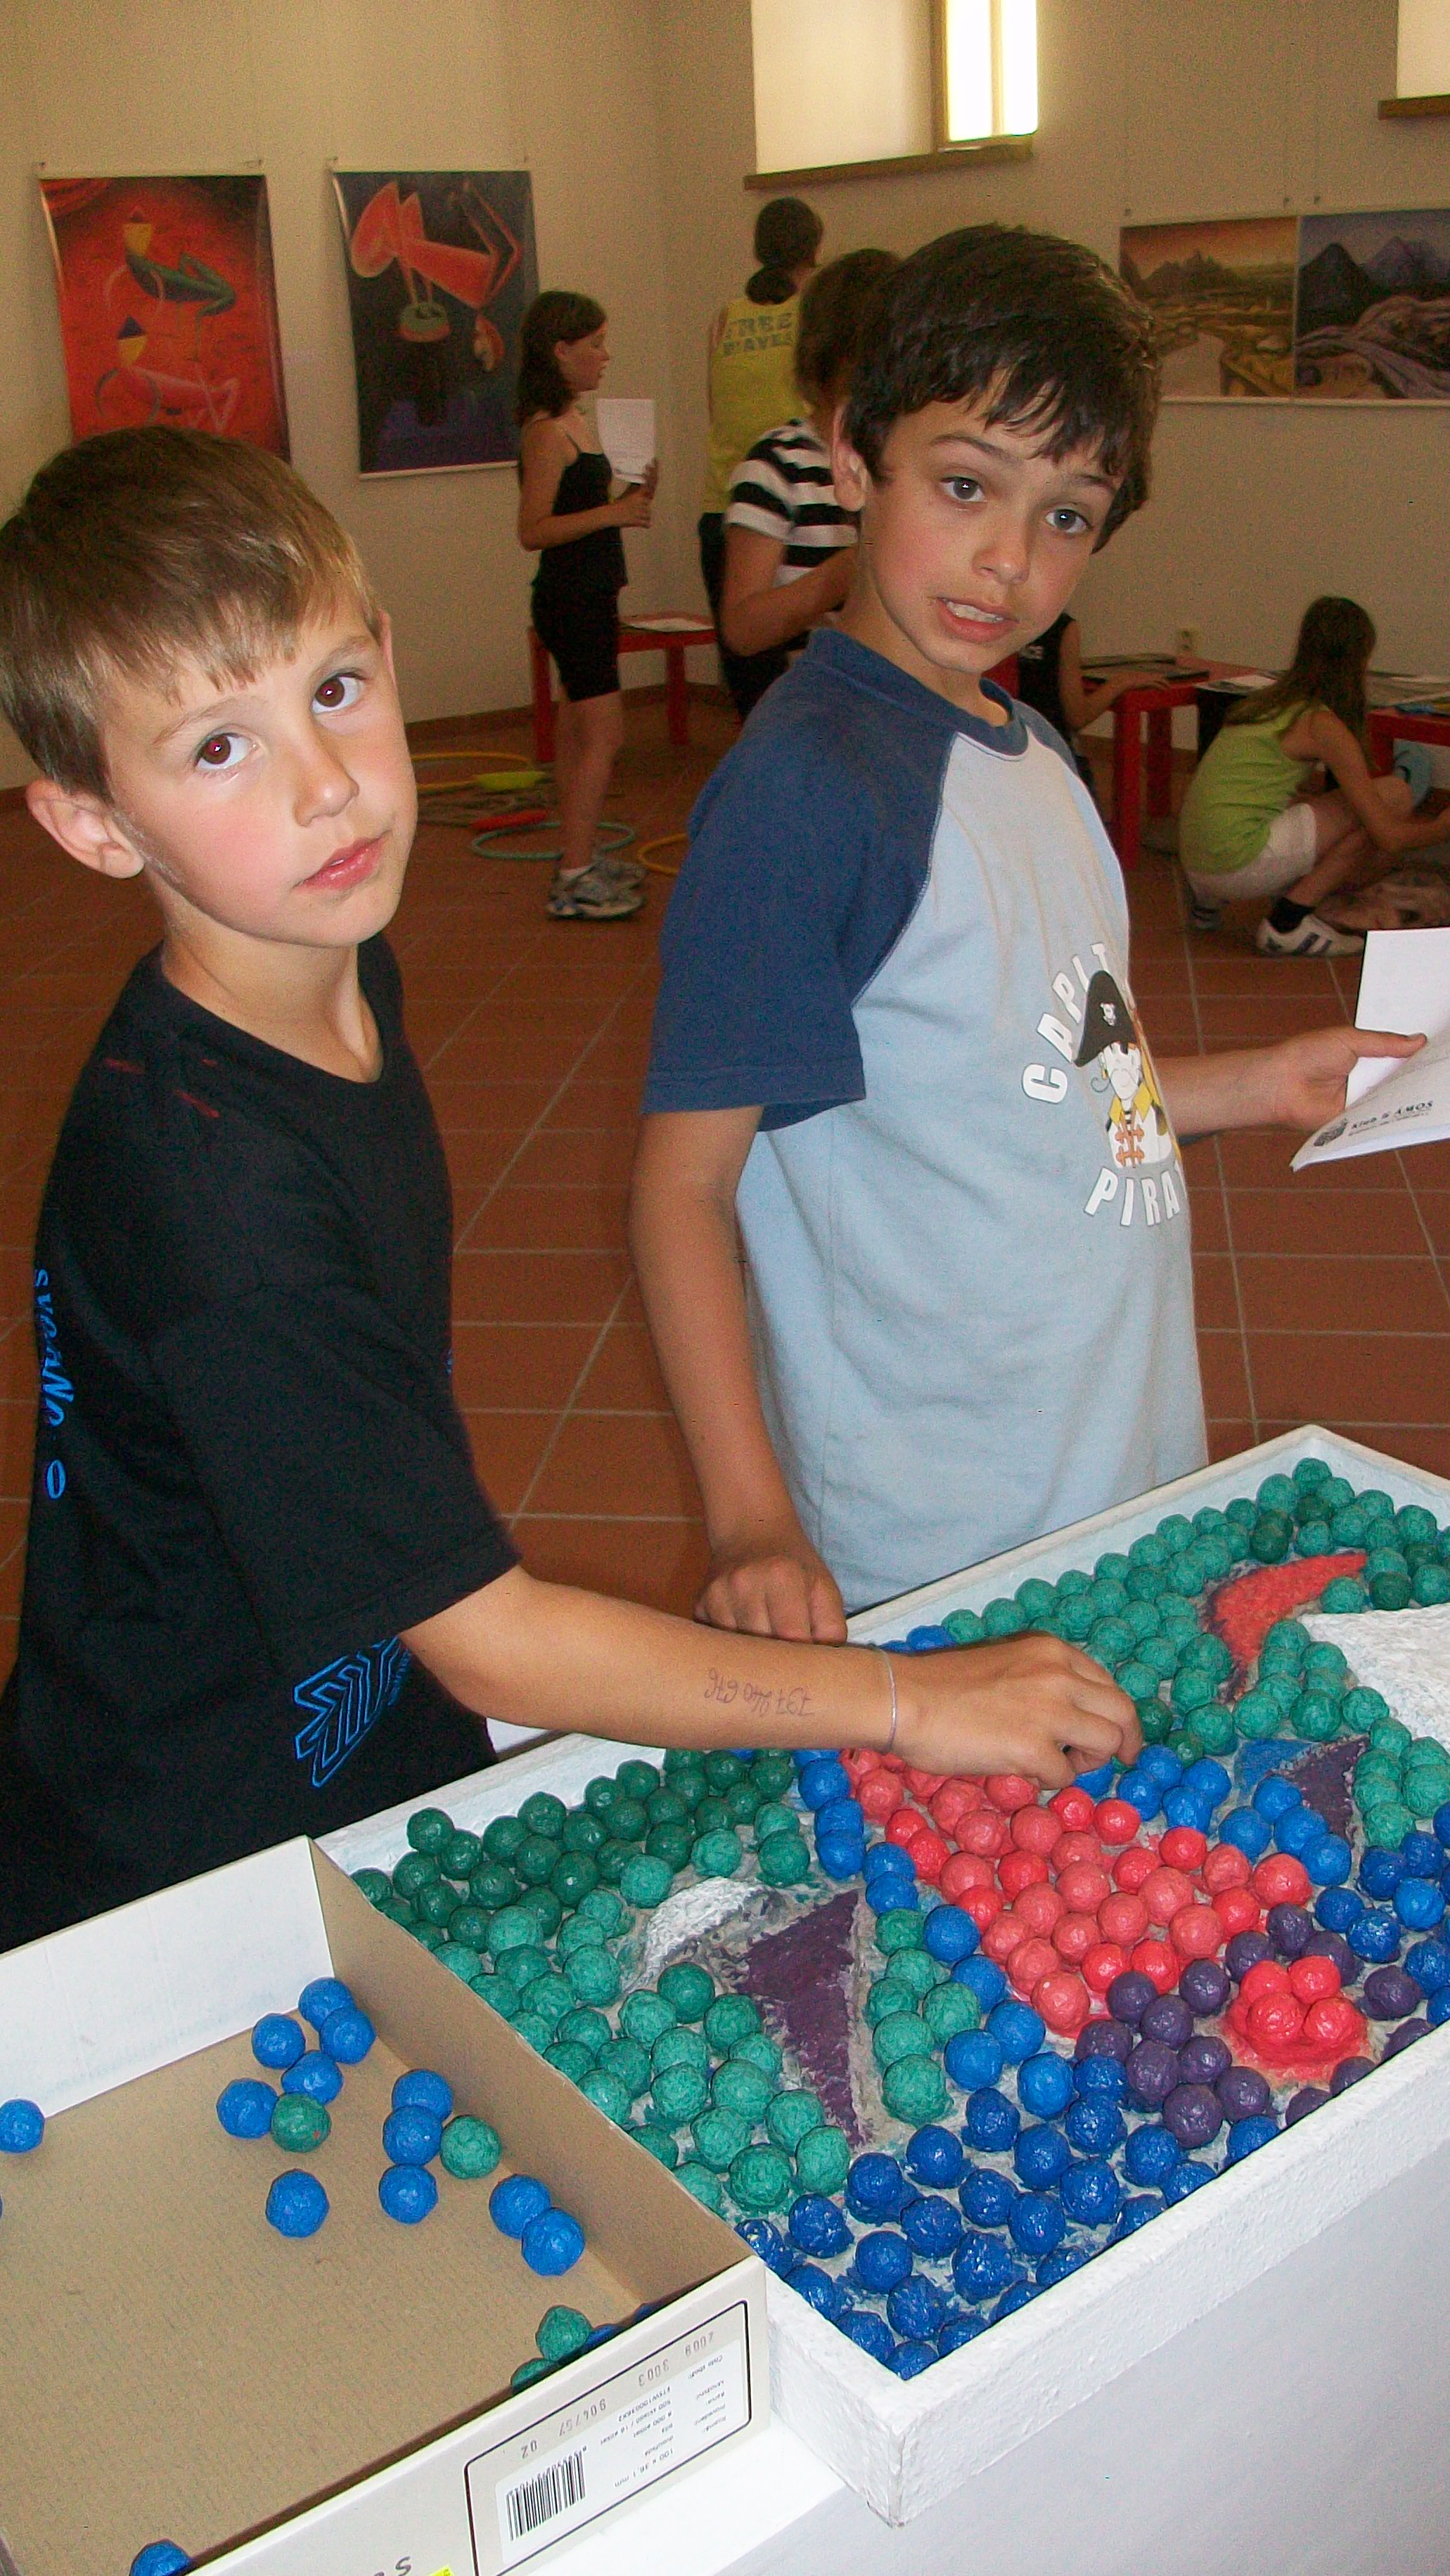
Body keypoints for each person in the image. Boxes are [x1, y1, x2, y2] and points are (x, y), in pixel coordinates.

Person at [0, 426, 1148, 1950]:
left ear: (386, 650)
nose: (328, 787)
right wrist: (901, 1697)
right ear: (91, 821)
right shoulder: (215, 1196)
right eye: (219, 748)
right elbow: (497, 1641)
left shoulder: (325, 971)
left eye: (333, 689)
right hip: (183, 1848)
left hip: (358, 1721)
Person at [629, 227, 1420, 1641]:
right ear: (851, 454)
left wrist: (1258, 1082)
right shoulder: (806, 792)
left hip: (1110, 1457)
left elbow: (1054, 1087)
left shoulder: (1034, 755)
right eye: (963, 486)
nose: (1007, 561)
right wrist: (751, 1516)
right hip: (936, 1522)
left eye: (1065, 515)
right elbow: (684, 1186)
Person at [1178, 595, 1449, 956]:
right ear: (1358, 661)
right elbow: (1389, 836)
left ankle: (1207, 903)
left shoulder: (1266, 704)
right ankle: (1287, 922)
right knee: (1393, 796)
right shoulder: (1321, 725)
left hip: (1197, 860)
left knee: (1316, 806)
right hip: (1235, 864)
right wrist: (1441, 828)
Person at [516, 290, 653, 921]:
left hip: (591, 595)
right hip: (571, 600)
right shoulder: (547, 433)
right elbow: (534, 530)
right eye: (594, 344)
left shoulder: (575, 421)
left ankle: (579, 857)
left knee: (578, 736)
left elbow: (588, 512)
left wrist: (630, 498)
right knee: (605, 736)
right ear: (561, 351)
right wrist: (613, 513)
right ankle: (574, 877)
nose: (605, 355)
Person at [719, 250, 898, 717]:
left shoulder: (913, 463)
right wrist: (855, 566)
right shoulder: (778, 464)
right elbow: (743, 630)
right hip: (818, 719)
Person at [698, 195, 823, 719]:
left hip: (721, 506)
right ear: (813, 250)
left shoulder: (726, 319)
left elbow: (716, 411)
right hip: (790, 509)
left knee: (749, 688)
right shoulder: (811, 314)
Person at [1011, 611, 1159, 788]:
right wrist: (1120, 683)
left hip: (1012, 747)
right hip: (1052, 753)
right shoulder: (1063, 627)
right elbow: (1077, 716)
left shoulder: (1011, 622)